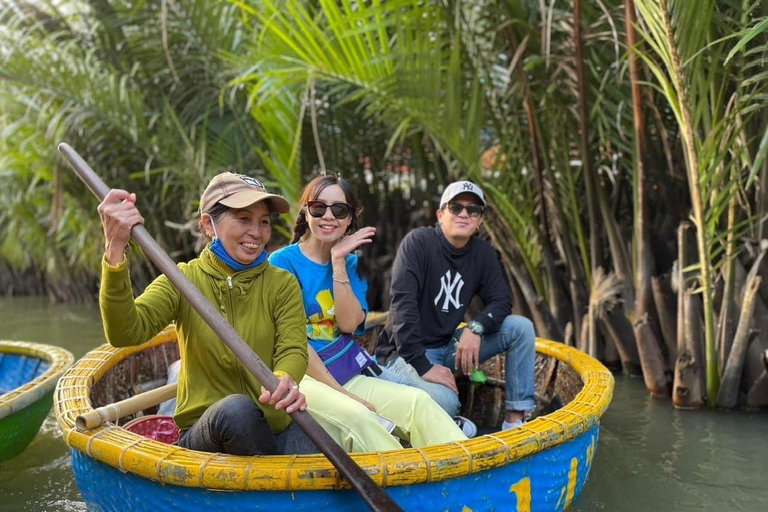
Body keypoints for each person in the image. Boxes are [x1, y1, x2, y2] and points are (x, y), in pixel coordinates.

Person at [98, 171, 317, 456]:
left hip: (273, 428)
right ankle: (273, 491)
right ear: (208, 225)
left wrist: (286, 376)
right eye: (243, 218)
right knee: (238, 411)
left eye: (264, 221)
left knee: (316, 432)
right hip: (209, 434)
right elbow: (125, 332)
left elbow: (293, 348)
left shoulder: (281, 283)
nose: (257, 232)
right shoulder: (182, 280)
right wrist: (115, 250)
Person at [269, 175, 467, 452]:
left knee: (419, 403)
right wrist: (345, 396)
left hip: (346, 370)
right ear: (306, 211)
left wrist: (338, 263)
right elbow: (294, 343)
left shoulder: (350, 262)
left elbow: (348, 324)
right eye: (318, 208)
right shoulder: (282, 263)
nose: (328, 216)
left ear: (350, 219)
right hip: (305, 377)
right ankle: (404, 487)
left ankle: (468, 477)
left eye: (339, 210)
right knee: (361, 417)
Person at [375, 180, 536, 435]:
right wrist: (424, 366)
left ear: (480, 220)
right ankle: (445, 418)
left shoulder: (484, 254)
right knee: (447, 402)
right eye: (455, 207)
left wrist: (476, 327)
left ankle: (514, 421)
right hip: (405, 353)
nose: (464, 214)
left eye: (473, 210)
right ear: (441, 214)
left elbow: (501, 300)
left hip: (448, 345)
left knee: (521, 328)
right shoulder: (418, 243)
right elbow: (402, 308)